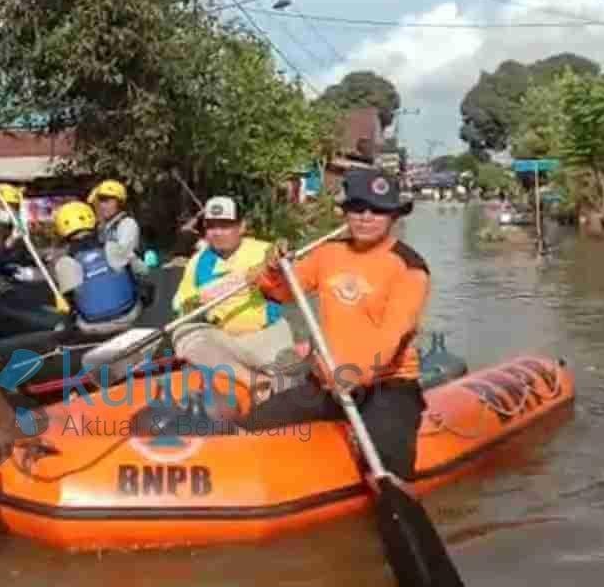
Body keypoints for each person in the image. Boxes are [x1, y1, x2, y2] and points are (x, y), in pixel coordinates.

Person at [244, 169, 429, 481]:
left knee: (389, 457)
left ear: (394, 215)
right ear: (346, 212)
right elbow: (282, 293)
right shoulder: (328, 253)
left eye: (378, 209)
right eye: (358, 207)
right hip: (328, 382)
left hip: (386, 386)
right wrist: (276, 269)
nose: (366, 217)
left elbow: (392, 336)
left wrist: (355, 374)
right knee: (253, 424)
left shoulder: (409, 268)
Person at [170, 196, 294, 400]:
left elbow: (285, 279)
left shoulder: (265, 250)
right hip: (225, 340)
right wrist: (200, 299)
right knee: (183, 333)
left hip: (267, 336)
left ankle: (271, 384)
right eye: (211, 226)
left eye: (225, 226)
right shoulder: (197, 262)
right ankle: (253, 381)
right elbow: (181, 304)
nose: (217, 233)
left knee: (292, 383)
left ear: (242, 226)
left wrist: (272, 268)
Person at [51, 201, 142, 335]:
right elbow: (140, 270)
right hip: (129, 315)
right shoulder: (111, 246)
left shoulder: (64, 262)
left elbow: (68, 301)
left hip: (91, 326)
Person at [0, 183, 61, 315]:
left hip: (15, 286)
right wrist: (10, 242)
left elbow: (23, 255)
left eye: (14, 207)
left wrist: (41, 258)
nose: (11, 210)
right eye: (5, 207)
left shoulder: (11, 228)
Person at [89, 179, 148, 277]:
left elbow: (121, 256)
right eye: (100, 202)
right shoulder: (102, 227)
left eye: (107, 201)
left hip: (127, 279)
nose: (102, 206)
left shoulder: (127, 223)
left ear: (120, 203)